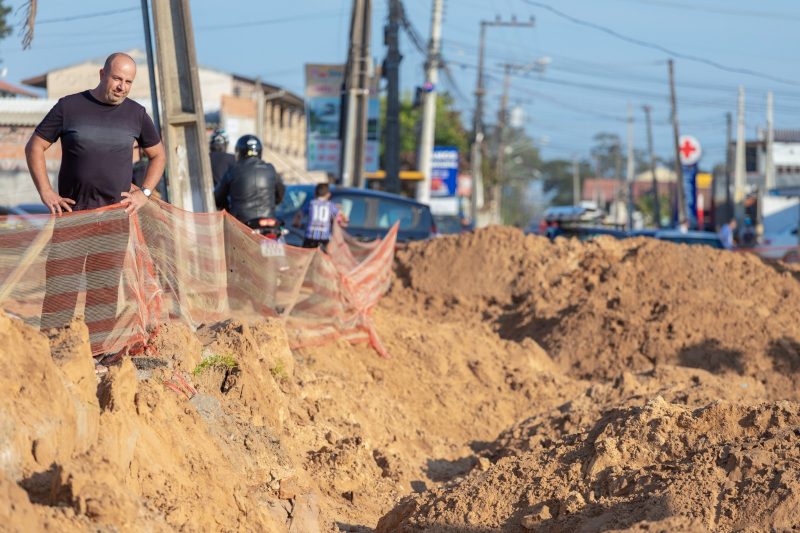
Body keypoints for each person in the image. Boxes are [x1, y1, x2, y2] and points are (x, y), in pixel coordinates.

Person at [24, 52, 165, 368]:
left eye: (128, 82)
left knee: (103, 291)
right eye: (117, 79)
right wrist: (46, 192)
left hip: (114, 219)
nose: (122, 87)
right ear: (103, 73)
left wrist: (143, 193)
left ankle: (96, 358)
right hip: (72, 218)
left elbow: (158, 156)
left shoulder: (137, 115)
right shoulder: (69, 107)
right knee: (62, 288)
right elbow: (35, 146)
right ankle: (51, 357)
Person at [213, 134, 285, 223]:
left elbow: (217, 197)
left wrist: (227, 208)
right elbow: (280, 194)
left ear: (239, 152)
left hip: (241, 224)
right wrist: (269, 205)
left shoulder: (233, 170)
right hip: (267, 221)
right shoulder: (271, 169)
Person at [293, 182, 348, 249]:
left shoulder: (311, 203)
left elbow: (299, 215)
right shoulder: (331, 205)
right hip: (324, 238)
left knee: (307, 257)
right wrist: (343, 221)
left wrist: (297, 224)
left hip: (310, 237)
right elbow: (343, 218)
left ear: (315, 193)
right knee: (323, 258)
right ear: (328, 194)